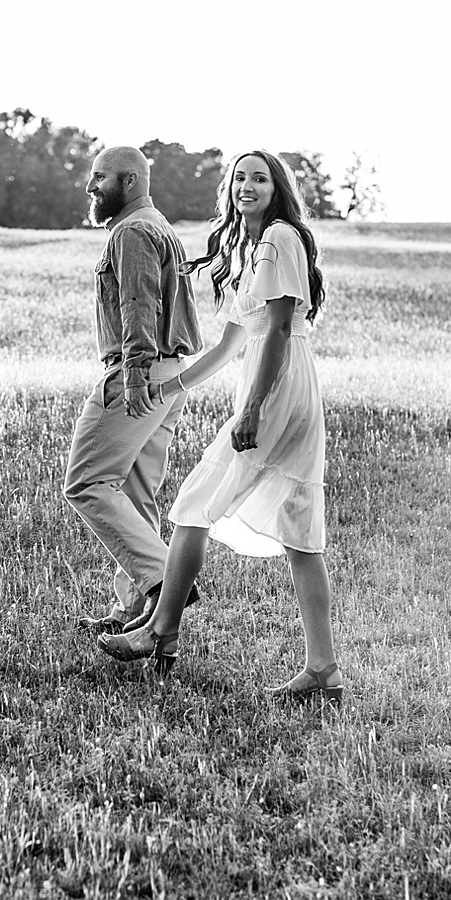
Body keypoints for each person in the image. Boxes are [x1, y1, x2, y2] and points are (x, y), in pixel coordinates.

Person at [98, 150, 341, 702]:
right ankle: (323, 670)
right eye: (240, 178)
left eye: (260, 178)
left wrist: (253, 409)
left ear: (277, 189)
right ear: (229, 189)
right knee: (301, 532)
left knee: (192, 503)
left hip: (276, 392)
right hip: (286, 389)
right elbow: (230, 344)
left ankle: (162, 630)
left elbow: (278, 331)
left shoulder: (279, 238)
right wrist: (167, 389)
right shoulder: (252, 249)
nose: (247, 186)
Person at [64, 145, 205, 636]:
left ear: (130, 181)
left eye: (100, 177)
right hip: (170, 375)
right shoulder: (159, 225)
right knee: (135, 492)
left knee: (86, 482)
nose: (90, 186)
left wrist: (134, 373)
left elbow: (137, 302)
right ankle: (135, 612)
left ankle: (165, 583)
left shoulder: (132, 232)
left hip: (140, 374)